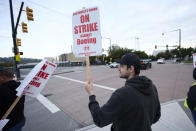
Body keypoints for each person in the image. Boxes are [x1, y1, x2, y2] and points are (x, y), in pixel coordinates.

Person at [85, 53, 161, 131]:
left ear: (131, 69)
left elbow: (99, 119)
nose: (118, 68)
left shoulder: (122, 95)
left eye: (121, 66)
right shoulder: (152, 87)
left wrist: (91, 94)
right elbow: (156, 116)